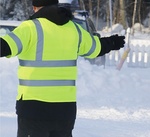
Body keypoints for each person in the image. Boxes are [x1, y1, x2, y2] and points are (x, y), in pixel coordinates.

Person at [0, 0, 125, 136]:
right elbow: (95, 48)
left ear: (35, 8)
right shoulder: (74, 29)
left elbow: (5, 46)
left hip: (33, 109)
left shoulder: (30, 28)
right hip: (65, 110)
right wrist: (112, 42)